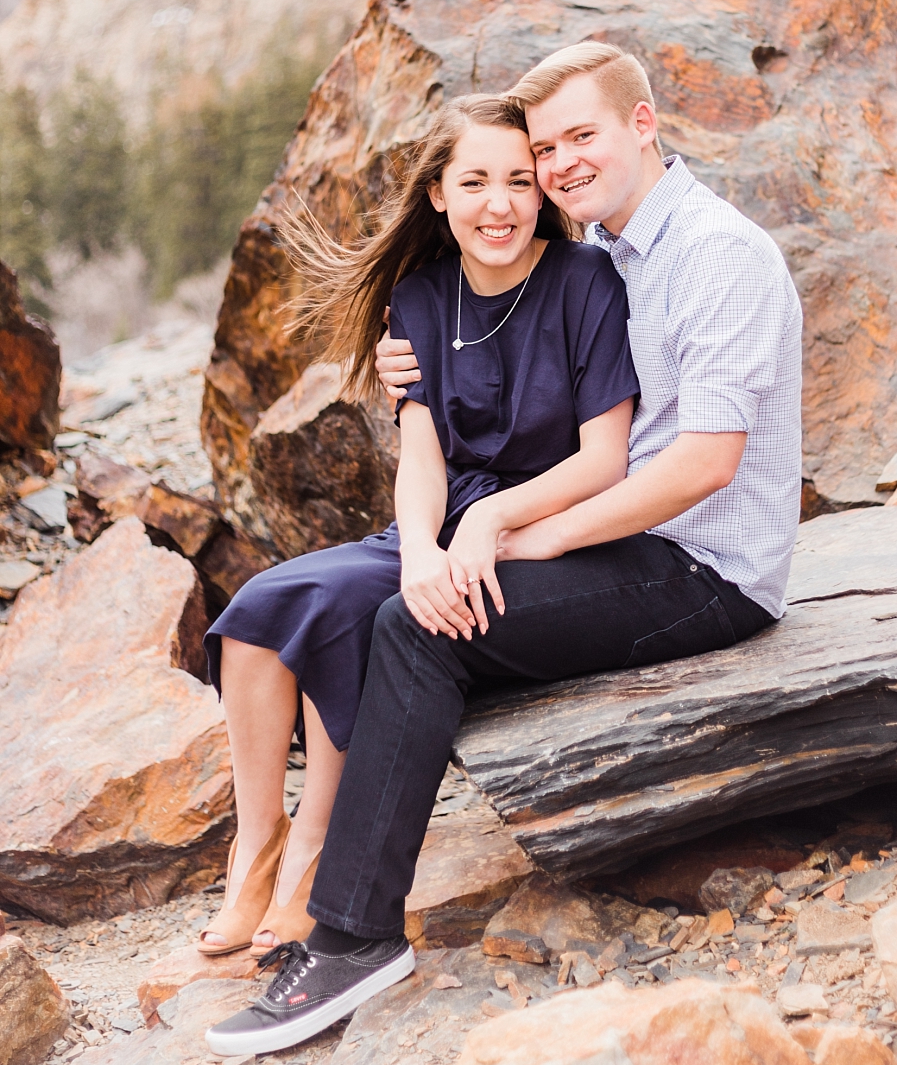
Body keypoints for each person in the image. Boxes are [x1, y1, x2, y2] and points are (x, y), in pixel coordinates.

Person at [206, 42, 802, 1057]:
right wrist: (415, 373)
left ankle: (350, 935)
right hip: (626, 541)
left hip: (703, 572)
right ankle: (302, 877)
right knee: (398, 597)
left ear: (644, 125)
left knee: (424, 624)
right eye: (547, 147)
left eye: (582, 137)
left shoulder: (716, 252)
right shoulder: (619, 247)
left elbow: (703, 463)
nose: (560, 165)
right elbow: (500, 302)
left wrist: (514, 534)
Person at [195, 92, 639, 959]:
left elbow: (603, 459)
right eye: (474, 180)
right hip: (438, 524)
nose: (500, 203)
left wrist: (485, 532)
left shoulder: (586, 283)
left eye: (519, 180)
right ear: (437, 193)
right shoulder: (423, 299)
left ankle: (316, 859)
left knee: (344, 618)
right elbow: (424, 456)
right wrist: (420, 552)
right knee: (259, 610)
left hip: (535, 527)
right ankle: (258, 848)